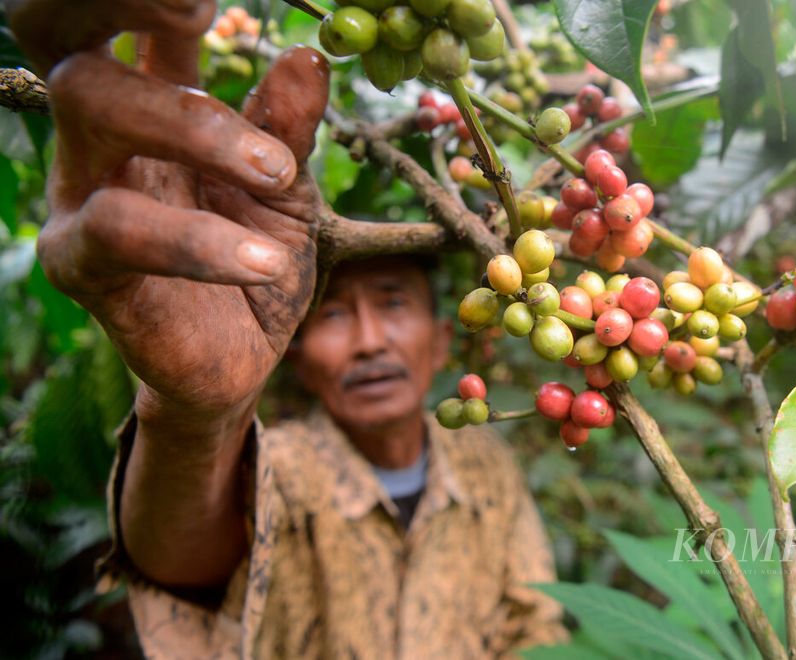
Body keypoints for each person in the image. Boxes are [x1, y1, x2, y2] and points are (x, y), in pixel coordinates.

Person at [4, 0, 567, 656]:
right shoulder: (282, 473)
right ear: (298, 354)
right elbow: (179, 574)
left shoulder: (488, 464)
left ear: (444, 338)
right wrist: (195, 417)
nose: (369, 340)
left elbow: (537, 628)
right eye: (331, 314)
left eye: (392, 303)